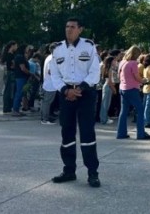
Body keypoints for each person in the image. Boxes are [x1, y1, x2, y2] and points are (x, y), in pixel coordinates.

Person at [47, 18, 103, 188]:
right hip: (66, 94)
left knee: (87, 133)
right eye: (67, 27)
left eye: (72, 27)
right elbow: (54, 74)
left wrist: (81, 88)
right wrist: (66, 90)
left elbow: (95, 71)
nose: (69, 30)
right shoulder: (58, 49)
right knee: (67, 132)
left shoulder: (89, 46)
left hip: (85, 93)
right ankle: (69, 170)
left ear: (80, 29)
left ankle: (92, 173)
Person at [116, 46, 150, 141]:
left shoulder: (122, 62)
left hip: (123, 88)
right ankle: (140, 133)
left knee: (123, 111)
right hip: (132, 89)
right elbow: (137, 77)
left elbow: (119, 76)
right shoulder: (133, 63)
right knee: (140, 110)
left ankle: (121, 133)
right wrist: (144, 80)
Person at [40, 43, 60, 125]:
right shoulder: (52, 59)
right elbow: (50, 71)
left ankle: (44, 117)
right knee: (47, 102)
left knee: (46, 102)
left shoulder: (49, 57)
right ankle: (45, 119)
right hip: (50, 85)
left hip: (48, 84)